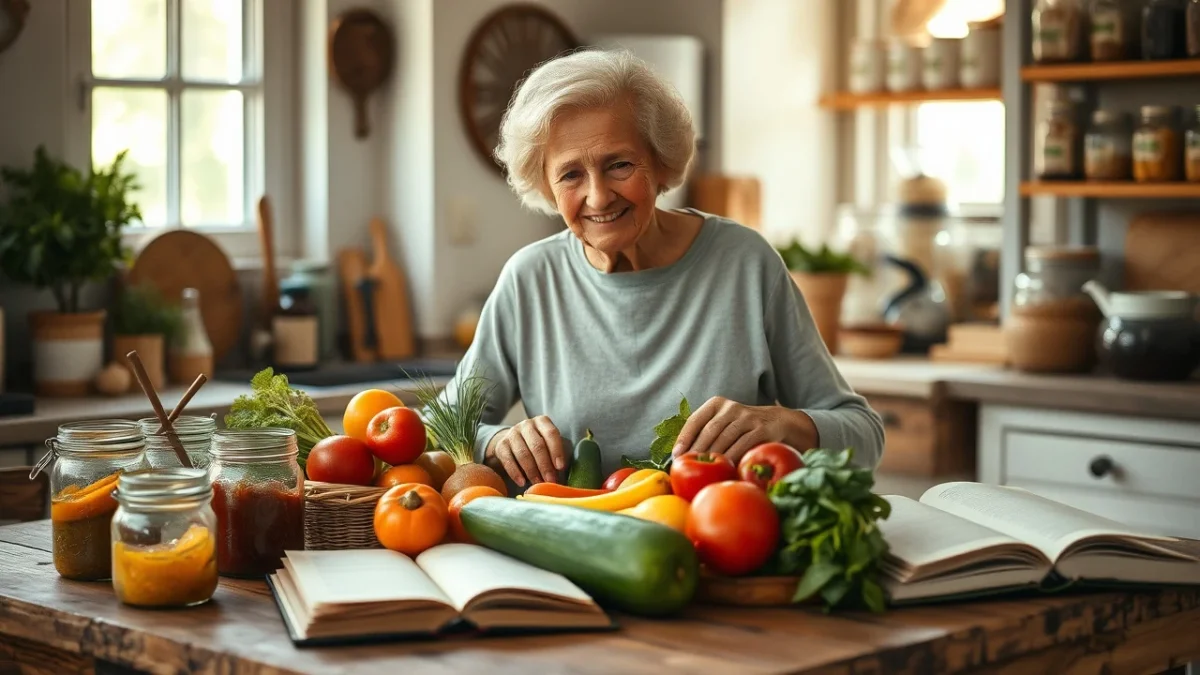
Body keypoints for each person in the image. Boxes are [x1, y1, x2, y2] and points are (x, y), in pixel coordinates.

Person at [438, 48, 884, 489]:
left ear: (660, 161)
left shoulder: (745, 263)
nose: (598, 196)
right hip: (573, 546)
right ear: (546, 187)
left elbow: (864, 435)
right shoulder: (530, 280)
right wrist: (493, 441)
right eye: (571, 175)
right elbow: (436, 428)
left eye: (619, 164)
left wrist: (785, 425)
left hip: (724, 543)